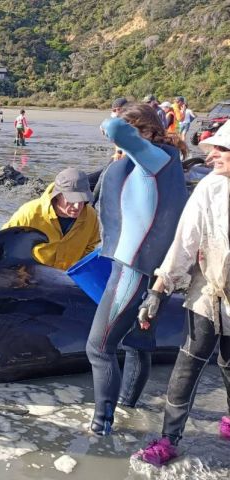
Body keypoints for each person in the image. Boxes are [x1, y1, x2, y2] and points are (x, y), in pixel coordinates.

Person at [132, 121, 230, 466]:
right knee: (187, 366)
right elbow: (185, 243)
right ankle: (168, 439)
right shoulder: (210, 188)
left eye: (222, 149)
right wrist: (160, 289)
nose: (212, 153)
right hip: (209, 292)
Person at [87, 103, 188, 436]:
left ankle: (101, 427)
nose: (123, 139)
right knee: (137, 342)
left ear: (147, 132)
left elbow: (114, 129)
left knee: (99, 348)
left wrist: (117, 125)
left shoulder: (153, 159)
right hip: (152, 273)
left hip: (133, 269)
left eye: (134, 131)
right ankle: (127, 407)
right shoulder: (162, 161)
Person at [3, 168, 100, 270]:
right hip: (30, 275)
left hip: (65, 278)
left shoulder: (90, 215)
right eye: (72, 200)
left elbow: (91, 247)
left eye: (82, 200)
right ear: (58, 195)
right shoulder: (29, 213)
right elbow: (5, 244)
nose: (77, 206)